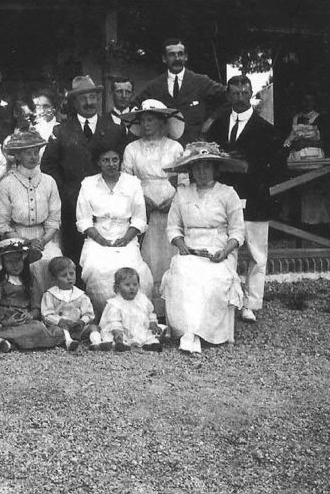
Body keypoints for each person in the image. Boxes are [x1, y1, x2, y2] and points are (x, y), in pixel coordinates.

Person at [206, 75, 283, 324]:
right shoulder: (218, 126)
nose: (239, 98)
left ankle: (251, 303)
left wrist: (247, 166)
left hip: (255, 197)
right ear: (228, 95)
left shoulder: (266, 129)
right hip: (224, 198)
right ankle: (228, 300)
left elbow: (276, 168)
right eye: (235, 93)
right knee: (226, 250)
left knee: (257, 253)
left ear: (251, 94)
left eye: (244, 93)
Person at [161, 141, 247, 355]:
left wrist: (225, 252)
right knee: (182, 273)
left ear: (215, 169)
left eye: (206, 166)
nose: (201, 172)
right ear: (190, 170)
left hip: (218, 251)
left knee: (211, 279)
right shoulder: (182, 194)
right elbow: (173, 227)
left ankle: (202, 332)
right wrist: (181, 245)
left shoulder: (228, 194)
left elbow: (237, 232)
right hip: (189, 249)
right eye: (197, 167)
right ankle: (187, 332)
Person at [41, 75, 126, 263]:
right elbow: (49, 166)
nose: (89, 102)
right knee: (75, 255)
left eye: (92, 97)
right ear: (74, 102)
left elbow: (122, 166)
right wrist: (66, 193)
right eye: (83, 98)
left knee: (109, 255)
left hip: (107, 205)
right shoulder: (61, 131)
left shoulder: (114, 129)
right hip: (73, 204)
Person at [120, 99, 185, 316]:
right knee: (147, 255)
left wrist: (173, 199)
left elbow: (183, 179)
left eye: (151, 119)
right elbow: (127, 180)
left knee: (169, 252)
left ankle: (171, 310)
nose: (146, 124)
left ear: (161, 121)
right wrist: (142, 200)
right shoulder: (131, 148)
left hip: (170, 203)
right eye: (143, 120)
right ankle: (146, 308)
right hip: (142, 202)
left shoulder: (175, 147)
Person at [75, 143, 153, 314]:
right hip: (98, 236)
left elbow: (140, 218)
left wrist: (125, 238)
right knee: (97, 269)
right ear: (99, 162)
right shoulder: (88, 184)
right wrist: (101, 239)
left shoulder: (132, 183)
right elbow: (84, 220)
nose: (111, 164)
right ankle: (106, 316)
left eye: (115, 160)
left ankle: (134, 316)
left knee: (136, 270)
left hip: (125, 235)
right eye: (106, 160)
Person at [0, 129, 62, 297]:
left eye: (36, 152)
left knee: (53, 259)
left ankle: (51, 305)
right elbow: (2, 223)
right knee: (22, 262)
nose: (33, 157)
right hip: (16, 238)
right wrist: (24, 242)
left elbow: (54, 219)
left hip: (43, 238)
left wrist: (43, 240)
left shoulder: (49, 181)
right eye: (27, 153)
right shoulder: (7, 183)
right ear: (17, 156)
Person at [133, 39, 226, 146]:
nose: (177, 58)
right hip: (164, 149)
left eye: (180, 54)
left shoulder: (200, 81)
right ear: (164, 59)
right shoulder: (155, 85)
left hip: (194, 147)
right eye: (172, 55)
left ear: (186, 57)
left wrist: (212, 119)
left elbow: (229, 96)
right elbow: (135, 106)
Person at [0, 239, 66, 351]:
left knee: (39, 328)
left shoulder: (30, 280)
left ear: (24, 259)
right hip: (3, 322)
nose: (15, 265)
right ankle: (0, 337)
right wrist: (3, 322)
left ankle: (1, 340)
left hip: (24, 321)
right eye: (10, 262)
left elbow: (36, 307)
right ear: (2, 263)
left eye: (18, 260)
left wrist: (30, 315)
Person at [283, 92, 330, 225]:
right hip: (297, 160)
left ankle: (318, 222)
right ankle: (300, 222)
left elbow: (327, 141)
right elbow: (287, 140)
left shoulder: (321, 119)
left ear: (314, 102)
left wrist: (306, 143)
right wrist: (293, 144)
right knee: (299, 190)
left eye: (310, 100)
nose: (307, 103)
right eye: (304, 100)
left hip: (315, 160)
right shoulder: (295, 118)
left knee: (314, 190)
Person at [40, 256, 101, 350]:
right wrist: (60, 321)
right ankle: (69, 342)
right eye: (64, 275)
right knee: (58, 331)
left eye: (72, 274)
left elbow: (89, 314)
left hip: (77, 327)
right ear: (55, 278)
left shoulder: (81, 295)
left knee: (93, 327)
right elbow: (46, 314)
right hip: (60, 326)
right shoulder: (50, 294)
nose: (69, 278)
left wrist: (82, 321)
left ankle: (97, 343)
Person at [97, 267, 164, 352]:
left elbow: (150, 313)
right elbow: (114, 322)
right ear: (118, 288)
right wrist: (117, 333)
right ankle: (120, 343)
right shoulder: (116, 304)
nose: (132, 288)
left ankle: (150, 344)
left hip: (140, 329)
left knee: (154, 333)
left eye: (135, 284)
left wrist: (153, 324)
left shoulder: (142, 300)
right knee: (114, 337)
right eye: (127, 285)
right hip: (123, 331)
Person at [107, 75, 136, 147]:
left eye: (127, 92)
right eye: (119, 92)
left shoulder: (138, 120)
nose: (124, 96)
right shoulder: (102, 121)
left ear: (132, 94)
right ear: (111, 93)